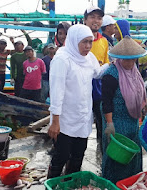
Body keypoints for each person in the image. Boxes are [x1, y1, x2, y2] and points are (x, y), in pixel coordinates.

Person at [47, 24, 109, 178]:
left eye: (90, 41)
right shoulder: (62, 59)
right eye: (84, 42)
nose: (88, 46)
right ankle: (52, 184)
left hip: (82, 117)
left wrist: (113, 63)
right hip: (65, 119)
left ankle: (70, 183)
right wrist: (55, 122)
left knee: (78, 155)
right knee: (61, 156)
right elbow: (56, 92)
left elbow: (98, 73)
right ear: (74, 40)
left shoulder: (88, 58)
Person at [101, 36, 147, 183]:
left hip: (132, 120)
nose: (130, 63)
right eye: (127, 59)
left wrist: (143, 108)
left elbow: (140, 92)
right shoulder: (111, 74)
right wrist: (109, 124)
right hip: (116, 120)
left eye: (133, 59)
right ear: (119, 58)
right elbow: (106, 102)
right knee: (117, 156)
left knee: (133, 154)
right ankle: (113, 183)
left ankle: (131, 183)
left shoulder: (135, 71)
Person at [84, 6, 108, 147]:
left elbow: (105, 63)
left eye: (99, 18)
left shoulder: (104, 41)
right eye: (92, 17)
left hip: (98, 84)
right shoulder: (76, 38)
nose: (96, 21)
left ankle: (101, 147)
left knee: (100, 118)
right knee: (81, 117)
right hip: (82, 83)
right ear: (85, 19)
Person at [10, 31, 33, 96]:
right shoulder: (13, 56)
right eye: (16, 45)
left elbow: (30, 42)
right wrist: (12, 78)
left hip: (27, 77)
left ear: (23, 45)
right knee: (18, 93)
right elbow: (12, 68)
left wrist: (24, 32)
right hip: (18, 79)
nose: (17, 46)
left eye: (19, 44)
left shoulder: (26, 54)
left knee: (26, 93)